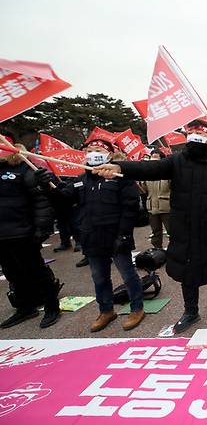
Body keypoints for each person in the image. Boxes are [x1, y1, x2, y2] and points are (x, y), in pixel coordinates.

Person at [93, 120, 207, 335]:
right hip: (184, 229)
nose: (194, 135)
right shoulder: (176, 161)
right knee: (187, 273)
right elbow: (149, 168)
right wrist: (120, 167)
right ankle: (190, 312)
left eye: (199, 132)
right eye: (190, 132)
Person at [44, 139, 144, 332]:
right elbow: (63, 200)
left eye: (97, 150)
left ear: (108, 155)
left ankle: (137, 308)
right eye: (89, 150)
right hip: (91, 237)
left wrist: (124, 234)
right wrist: (48, 187)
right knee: (99, 277)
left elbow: (130, 207)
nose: (92, 153)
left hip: (116, 236)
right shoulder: (81, 179)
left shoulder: (119, 176)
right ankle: (106, 310)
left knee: (128, 274)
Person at [0, 136, 61, 329]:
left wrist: (42, 228)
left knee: (37, 270)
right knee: (13, 273)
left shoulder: (24, 169)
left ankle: (52, 306)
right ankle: (25, 307)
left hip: (23, 231)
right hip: (2, 235)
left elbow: (40, 201)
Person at [142, 150, 171, 249]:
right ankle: (158, 250)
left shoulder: (168, 173)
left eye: (155, 157)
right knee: (156, 232)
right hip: (152, 207)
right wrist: (139, 184)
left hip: (166, 207)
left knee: (172, 231)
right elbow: (144, 191)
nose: (153, 159)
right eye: (152, 157)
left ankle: (175, 250)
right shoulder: (147, 174)